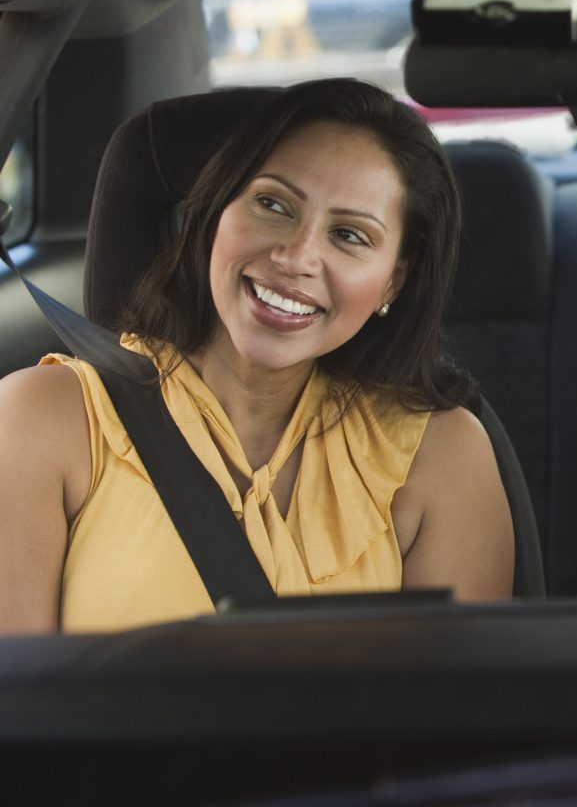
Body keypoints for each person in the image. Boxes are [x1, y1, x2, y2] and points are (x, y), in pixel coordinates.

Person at [0, 79, 514, 633]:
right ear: (216, 211)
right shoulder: (40, 420)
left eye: (349, 235)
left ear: (393, 282)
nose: (296, 257)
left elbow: (463, 688)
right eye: (272, 204)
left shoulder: (440, 458)